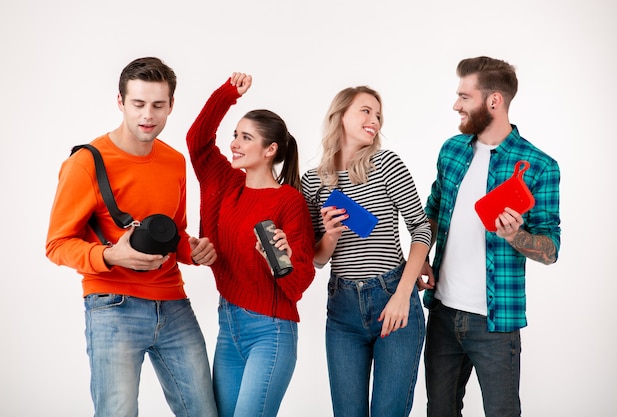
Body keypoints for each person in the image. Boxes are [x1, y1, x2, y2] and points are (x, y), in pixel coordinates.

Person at [45, 57, 218, 417]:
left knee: (203, 411)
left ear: (171, 104)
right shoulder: (86, 163)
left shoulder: (173, 161)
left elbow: (175, 232)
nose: (148, 115)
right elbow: (57, 245)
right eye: (138, 104)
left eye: (158, 105)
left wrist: (194, 250)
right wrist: (110, 256)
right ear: (120, 102)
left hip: (174, 304)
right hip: (113, 307)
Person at [421, 56, 561, 417]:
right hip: (443, 314)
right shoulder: (452, 150)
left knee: (501, 412)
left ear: (493, 101)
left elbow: (551, 249)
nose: (456, 105)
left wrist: (517, 237)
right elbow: (432, 214)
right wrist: (421, 257)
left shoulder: (539, 165)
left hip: (495, 323)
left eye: (464, 97)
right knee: (440, 410)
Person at [186, 72, 316, 417]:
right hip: (228, 326)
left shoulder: (289, 202)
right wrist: (226, 95)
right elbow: (197, 141)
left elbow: (300, 282)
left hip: (270, 330)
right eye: (235, 136)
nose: (235, 144)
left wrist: (283, 259)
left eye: (246, 138)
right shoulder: (226, 183)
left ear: (270, 150)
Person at [301, 86, 432, 417]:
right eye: (365, 111)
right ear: (340, 115)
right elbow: (315, 259)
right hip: (342, 308)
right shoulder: (312, 181)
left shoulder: (386, 163)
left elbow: (421, 228)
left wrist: (403, 295)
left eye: (377, 114)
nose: (374, 119)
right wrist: (330, 235)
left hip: (392, 296)